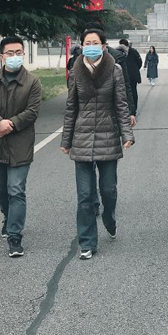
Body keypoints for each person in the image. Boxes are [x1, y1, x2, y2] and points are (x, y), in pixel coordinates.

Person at [61, 29, 135, 260]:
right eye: (87, 43)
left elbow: (121, 104)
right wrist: (66, 139)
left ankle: (109, 219)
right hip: (82, 137)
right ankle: (87, 242)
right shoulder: (75, 71)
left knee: (108, 190)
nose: (91, 46)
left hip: (107, 135)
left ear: (103, 46)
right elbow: (71, 107)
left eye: (95, 43)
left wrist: (127, 134)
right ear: (82, 46)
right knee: (84, 196)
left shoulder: (115, 70)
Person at [0, 36, 43, 258]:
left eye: (19, 52)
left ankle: (15, 236)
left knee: (16, 189)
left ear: (24, 54)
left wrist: (11, 124)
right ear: (2, 56)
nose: (15, 56)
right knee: (1, 189)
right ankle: (8, 216)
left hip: (20, 144)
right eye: (10, 53)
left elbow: (32, 111)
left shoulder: (32, 82)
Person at [120, 38, 143, 112]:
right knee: (124, 92)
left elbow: (139, 62)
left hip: (133, 76)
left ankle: (134, 108)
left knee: (133, 91)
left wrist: (135, 69)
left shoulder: (133, 51)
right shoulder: (120, 53)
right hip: (123, 76)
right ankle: (127, 107)